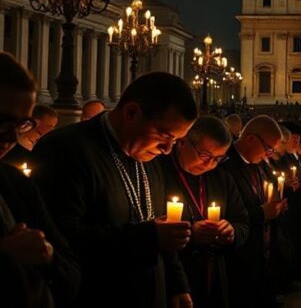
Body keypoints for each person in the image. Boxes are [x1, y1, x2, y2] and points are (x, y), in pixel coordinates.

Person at [33, 72, 198, 308]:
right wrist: (147, 236)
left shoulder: (151, 158)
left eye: (176, 140)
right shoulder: (65, 150)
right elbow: (61, 238)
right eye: (164, 135)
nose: (167, 149)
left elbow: (162, 227)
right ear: (131, 113)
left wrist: (177, 284)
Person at [0, 52, 80, 308]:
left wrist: (48, 256)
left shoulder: (15, 184)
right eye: (2, 122)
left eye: (21, 125)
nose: (11, 138)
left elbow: (72, 276)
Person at [159, 116, 250, 308]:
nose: (210, 164)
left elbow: (243, 222)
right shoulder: (160, 174)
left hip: (215, 274)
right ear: (182, 142)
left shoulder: (223, 179)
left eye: (218, 159)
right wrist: (191, 233)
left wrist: (231, 232)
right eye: (205, 155)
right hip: (174, 279)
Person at [219, 115, 286, 308]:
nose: (268, 155)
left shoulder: (259, 163)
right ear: (250, 139)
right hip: (239, 263)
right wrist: (262, 213)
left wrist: (276, 206)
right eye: (268, 148)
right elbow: (227, 218)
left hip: (262, 257)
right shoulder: (225, 166)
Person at [1, 104, 58, 168]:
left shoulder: (41, 145)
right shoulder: (12, 143)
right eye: (49, 126)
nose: (52, 130)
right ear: (36, 122)